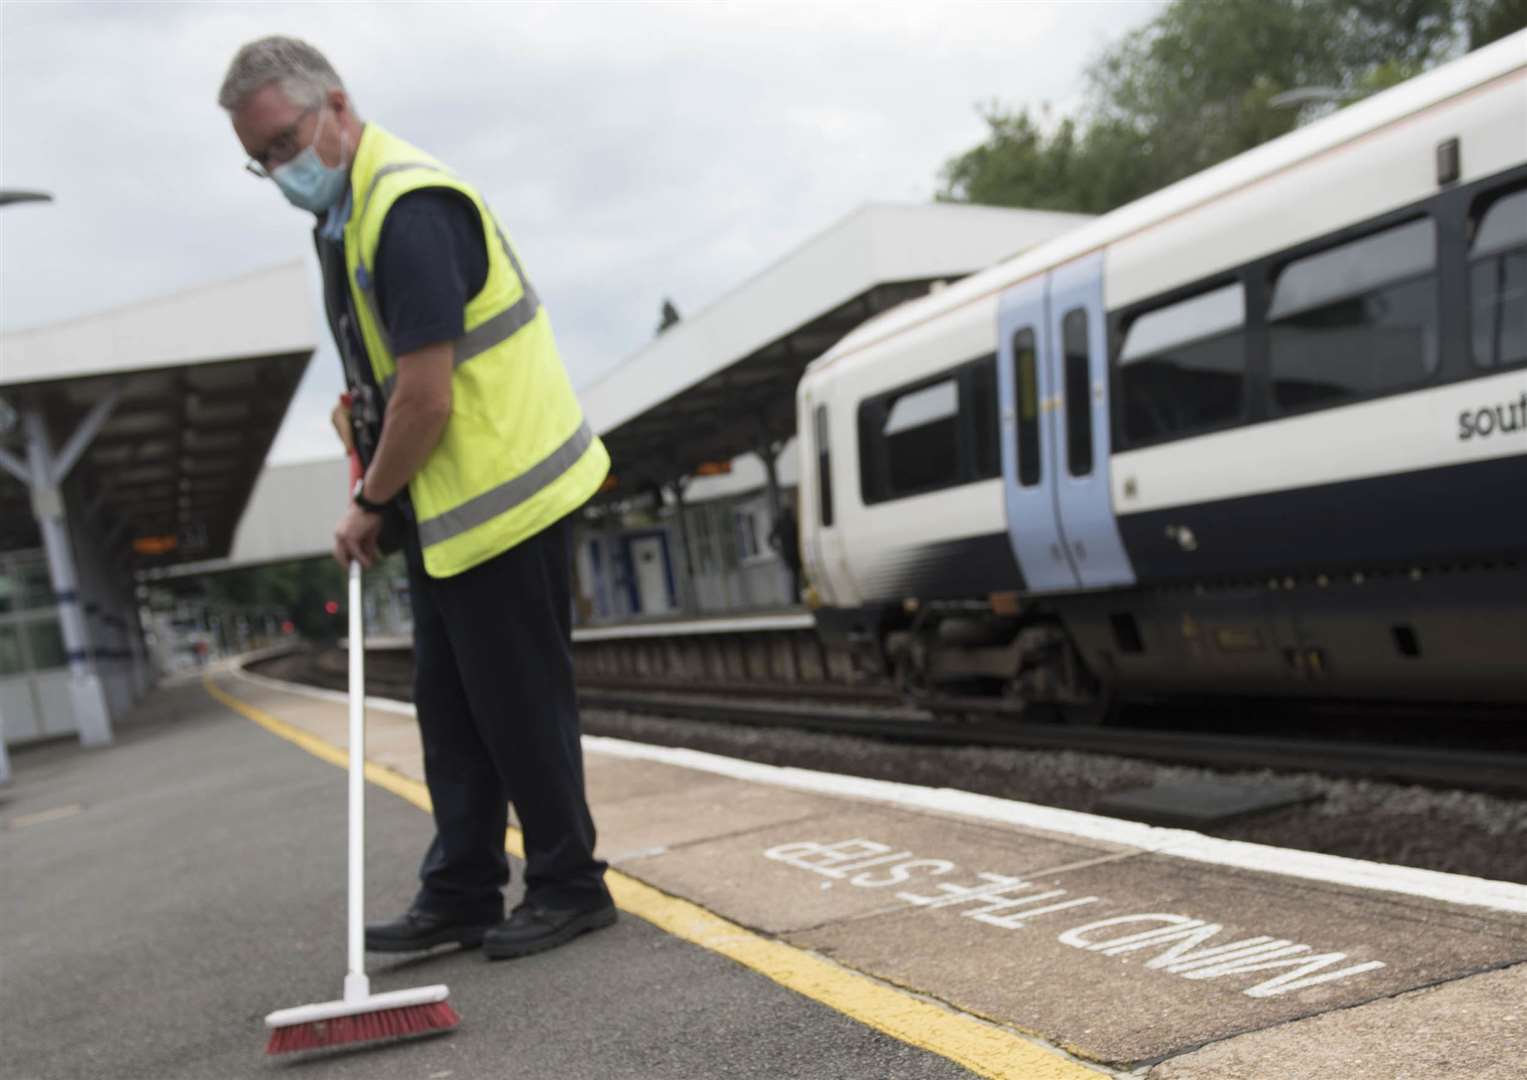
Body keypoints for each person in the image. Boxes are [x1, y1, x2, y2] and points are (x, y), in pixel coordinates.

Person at [219, 36, 616, 960]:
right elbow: (392, 375)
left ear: (338, 105)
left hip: (504, 495)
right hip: (452, 509)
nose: (281, 169)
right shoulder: (348, 216)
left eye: (286, 143)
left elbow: (429, 394)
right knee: (451, 710)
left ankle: (569, 883)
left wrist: (369, 499)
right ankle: (464, 889)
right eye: (262, 159)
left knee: (519, 708)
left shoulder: (406, 209)